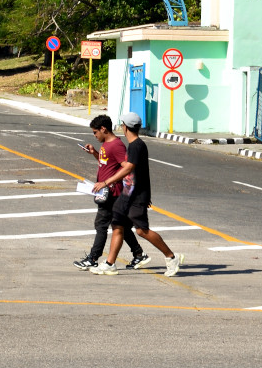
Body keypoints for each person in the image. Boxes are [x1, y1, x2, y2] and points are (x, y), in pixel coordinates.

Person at [91, 112, 184, 276]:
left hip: (137, 195)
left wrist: (106, 182)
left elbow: (127, 168)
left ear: (125, 127)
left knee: (141, 230)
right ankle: (109, 264)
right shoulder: (133, 144)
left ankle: (171, 257)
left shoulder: (136, 145)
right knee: (117, 224)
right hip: (127, 193)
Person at [73, 114, 148, 271]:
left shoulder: (117, 146)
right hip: (106, 190)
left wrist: (109, 183)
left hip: (112, 193)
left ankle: (93, 258)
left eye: (95, 132)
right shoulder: (106, 145)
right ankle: (139, 254)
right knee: (121, 226)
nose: (95, 136)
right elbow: (106, 164)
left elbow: (126, 166)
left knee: (101, 224)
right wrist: (94, 153)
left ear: (103, 129)